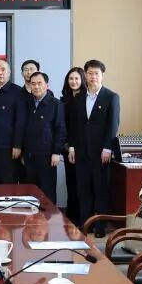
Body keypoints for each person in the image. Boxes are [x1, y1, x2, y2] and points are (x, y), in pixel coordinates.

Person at [68, 60, 120, 236]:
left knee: (100, 190)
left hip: (101, 153)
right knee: (83, 190)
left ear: (102, 75)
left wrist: (108, 148)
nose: (93, 77)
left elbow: (113, 124)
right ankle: (86, 225)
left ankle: (99, 227)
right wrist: (72, 147)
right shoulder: (79, 98)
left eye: (96, 73)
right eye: (90, 73)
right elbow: (74, 126)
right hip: (81, 152)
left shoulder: (111, 97)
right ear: (85, 75)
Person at [13, 72, 66, 204]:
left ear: (47, 85)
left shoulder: (56, 104)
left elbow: (60, 130)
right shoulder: (27, 103)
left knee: (47, 192)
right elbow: (22, 127)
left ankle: (48, 217)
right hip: (29, 155)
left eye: (39, 83)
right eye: (33, 84)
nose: (36, 87)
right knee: (30, 192)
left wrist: (56, 152)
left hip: (47, 156)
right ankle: (32, 217)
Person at [60, 67, 87, 223]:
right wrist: (68, 146)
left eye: (77, 78)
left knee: (82, 185)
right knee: (70, 183)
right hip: (67, 147)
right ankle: (71, 219)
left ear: (82, 80)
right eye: (71, 78)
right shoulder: (64, 100)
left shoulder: (87, 99)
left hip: (82, 148)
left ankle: (83, 219)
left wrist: (74, 146)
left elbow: (81, 127)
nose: (74, 81)